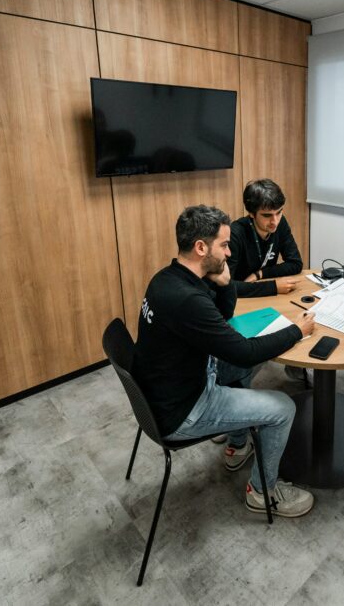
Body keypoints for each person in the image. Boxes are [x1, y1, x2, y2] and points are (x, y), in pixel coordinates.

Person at [131, 204, 316, 517]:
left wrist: (225, 281)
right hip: (185, 411)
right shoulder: (188, 300)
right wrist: (297, 331)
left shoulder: (167, 278)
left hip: (165, 390)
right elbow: (244, 351)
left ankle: (238, 444)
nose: (229, 253)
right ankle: (262, 493)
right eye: (225, 245)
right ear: (201, 248)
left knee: (246, 364)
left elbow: (222, 318)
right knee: (283, 408)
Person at [227, 178, 311, 385]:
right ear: (251, 213)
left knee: (299, 317)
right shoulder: (236, 233)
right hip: (239, 302)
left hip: (263, 295)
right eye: (266, 215)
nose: (274, 221)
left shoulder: (280, 224)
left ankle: (295, 365)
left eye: (279, 212)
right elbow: (227, 287)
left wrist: (261, 274)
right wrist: (272, 286)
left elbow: (295, 263)